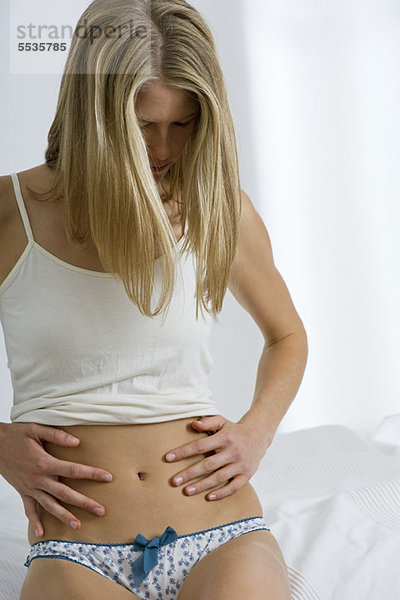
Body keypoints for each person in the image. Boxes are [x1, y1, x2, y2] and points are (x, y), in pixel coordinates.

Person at [0, 1, 308, 598]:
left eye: (184, 122)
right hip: (74, 551)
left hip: (222, 531)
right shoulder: (12, 213)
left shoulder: (218, 208)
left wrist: (256, 432)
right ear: (95, 114)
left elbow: (287, 336)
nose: (163, 148)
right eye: (142, 124)